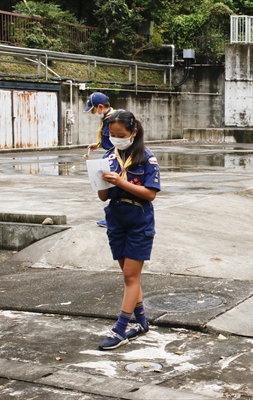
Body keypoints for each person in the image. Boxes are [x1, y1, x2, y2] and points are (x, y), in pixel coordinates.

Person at [96, 110, 161, 350]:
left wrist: (121, 182)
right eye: (111, 134)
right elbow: (103, 196)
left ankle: (120, 329)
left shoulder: (146, 158)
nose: (115, 138)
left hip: (138, 219)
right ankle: (142, 322)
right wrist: (99, 180)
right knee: (128, 275)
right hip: (115, 218)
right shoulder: (109, 157)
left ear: (133, 132)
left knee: (130, 276)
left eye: (120, 134)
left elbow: (150, 194)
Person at [84, 92, 116, 227]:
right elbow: (107, 138)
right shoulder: (107, 118)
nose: (93, 113)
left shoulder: (115, 119)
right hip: (111, 154)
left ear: (100, 106)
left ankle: (113, 220)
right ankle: (112, 219)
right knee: (109, 186)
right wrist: (97, 145)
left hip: (116, 156)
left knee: (112, 187)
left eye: (93, 110)